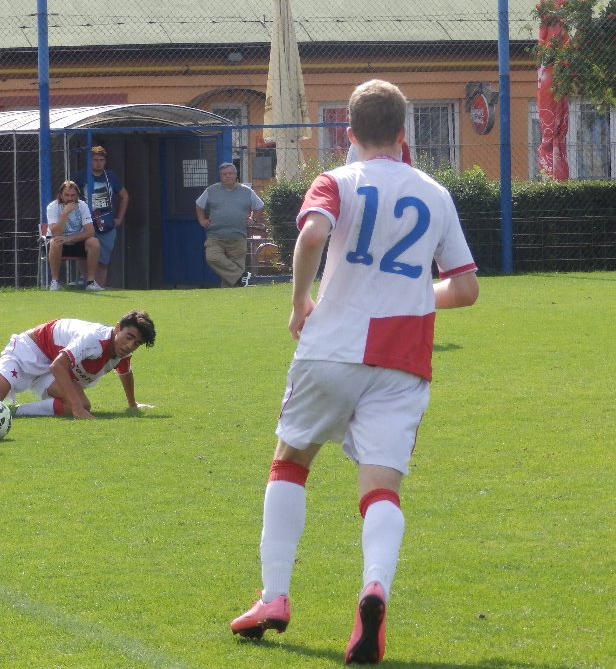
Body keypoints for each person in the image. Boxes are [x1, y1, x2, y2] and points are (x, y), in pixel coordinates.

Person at [229, 79, 479, 665]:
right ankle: (374, 589)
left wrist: (299, 300)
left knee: (291, 462)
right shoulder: (436, 193)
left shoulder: (336, 181)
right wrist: (413, 294)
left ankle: (273, 597)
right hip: (403, 355)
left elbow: (313, 232)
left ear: (348, 131)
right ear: (403, 132)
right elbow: (466, 289)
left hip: (332, 346)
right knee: (381, 489)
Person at [0, 310, 156, 421]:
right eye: (129, 337)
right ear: (117, 328)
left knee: (79, 404)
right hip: (30, 350)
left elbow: (125, 371)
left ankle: (13, 412)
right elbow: (59, 366)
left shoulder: (121, 352)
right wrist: (78, 408)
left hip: (53, 364)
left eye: (137, 343)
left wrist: (132, 404)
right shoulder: (93, 338)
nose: (130, 345)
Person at [195, 162, 264, 287]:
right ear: (220, 176)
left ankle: (235, 289)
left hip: (238, 237)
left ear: (236, 175)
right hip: (215, 237)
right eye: (224, 174)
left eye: (230, 173)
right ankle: (242, 276)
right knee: (212, 257)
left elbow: (259, 206)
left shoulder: (246, 191)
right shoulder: (211, 190)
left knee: (232, 276)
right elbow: (199, 204)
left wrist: (253, 219)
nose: (228, 176)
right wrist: (201, 220)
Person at [73, 145, 128, 288]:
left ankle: (100, 287)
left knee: (103, 261)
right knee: (84, 255)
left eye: (101, 160)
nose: (98, 163)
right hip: (86, 223)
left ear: (105, 161)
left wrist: (119, 218)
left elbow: (124, 196)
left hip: (106, 223)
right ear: (90, 161)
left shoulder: (110, 176)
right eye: (95, 160)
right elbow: (69, 196)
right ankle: (88, 284)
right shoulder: (80, 176)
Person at [45, 180, 101, 291]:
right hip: (58, 243)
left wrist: (68, 238)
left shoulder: (82, 205)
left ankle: (90, 283)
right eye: (66, 195)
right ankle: (55, 282)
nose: (70, 198)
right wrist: (65, 213)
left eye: (73, 195)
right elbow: (56, 233)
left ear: (77, 196)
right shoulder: (53, 207)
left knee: (94, 242)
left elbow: (90, 231)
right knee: (55, 242)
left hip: (76, 241)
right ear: (61, 195)